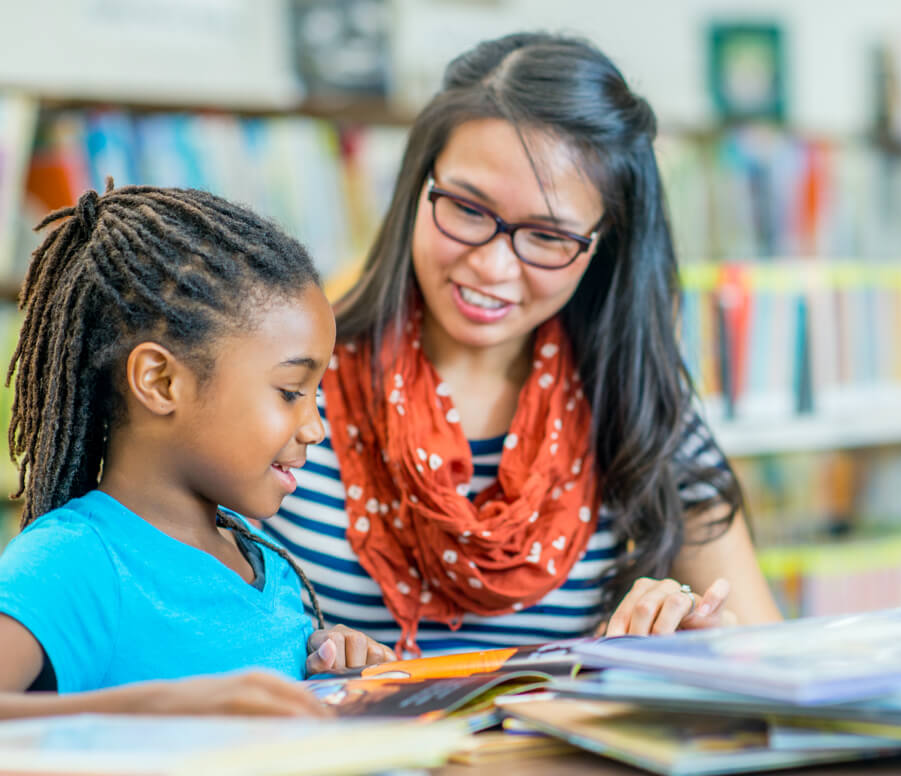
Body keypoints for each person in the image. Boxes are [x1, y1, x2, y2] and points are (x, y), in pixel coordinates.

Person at [264, 32, 782, 657]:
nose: (492, 266)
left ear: (604, 246)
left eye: (547, 236)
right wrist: (294, 650)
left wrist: (704, 647)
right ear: (416, 187)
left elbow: (766, 659)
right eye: (467, 208)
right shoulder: (289, 380)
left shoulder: (640, 406)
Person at [0, 184, 392, 725]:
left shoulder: (266, 562)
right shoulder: (76, 561)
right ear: (160, 381)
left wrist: (325, 669)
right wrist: (156, 708)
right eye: (291, 392)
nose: (316, 427)